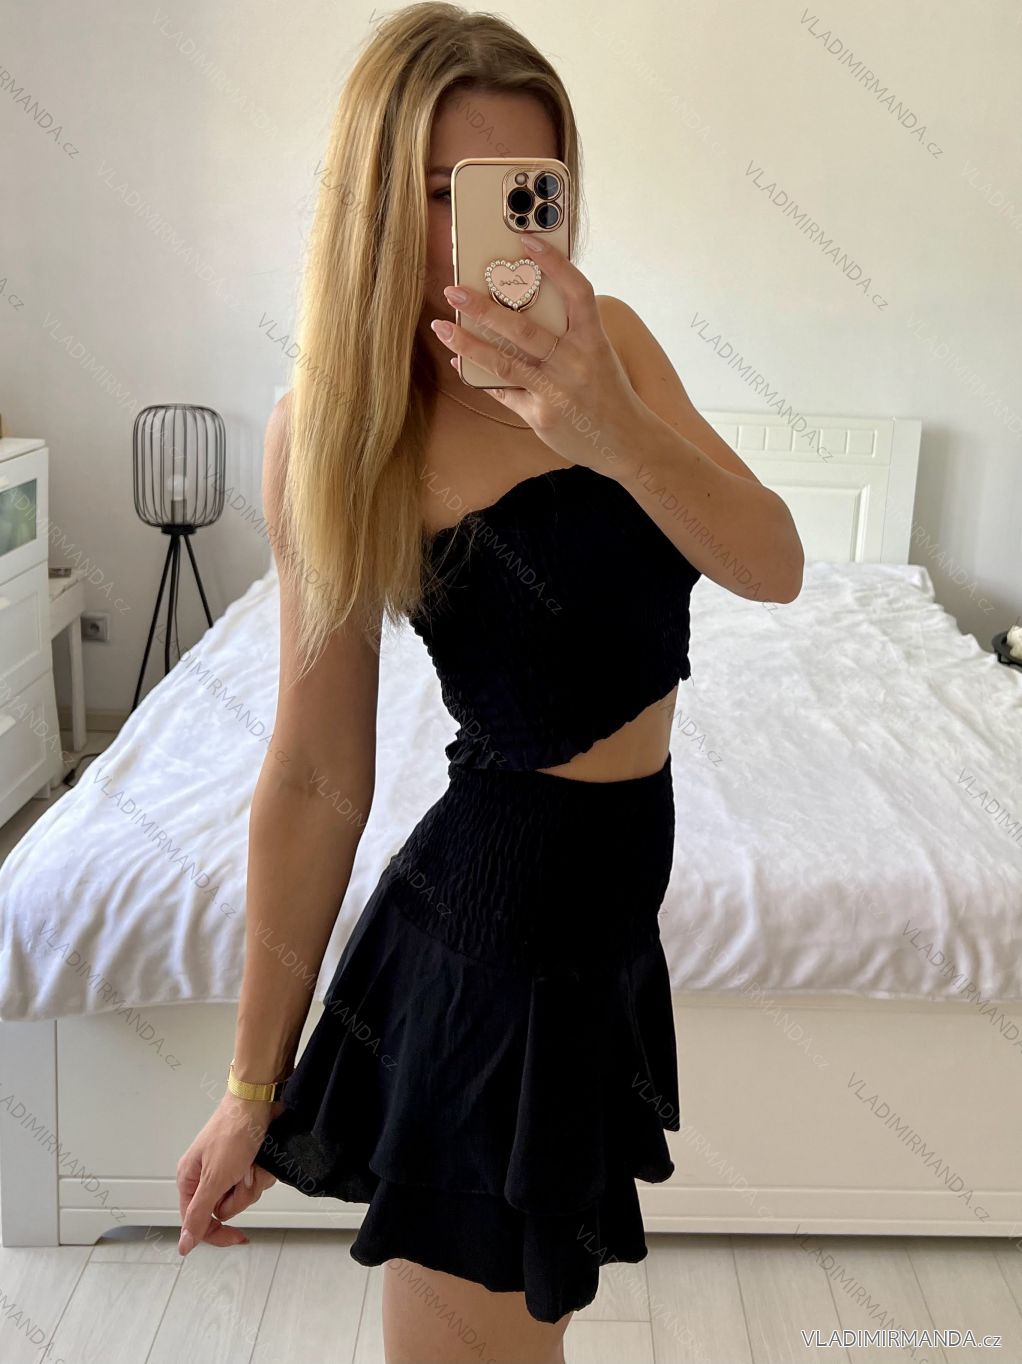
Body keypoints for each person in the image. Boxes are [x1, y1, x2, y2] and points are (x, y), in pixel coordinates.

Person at [174, 5, 804, 1361]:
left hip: (594, 931)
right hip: (490, 956)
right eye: (445, 192)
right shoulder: (333, 431)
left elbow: (774, 565)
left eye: (527, 190)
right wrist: (248, 1085)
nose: (498, 233)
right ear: (373, 204)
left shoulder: (613, 347)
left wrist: (611, 429)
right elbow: (315, 774)